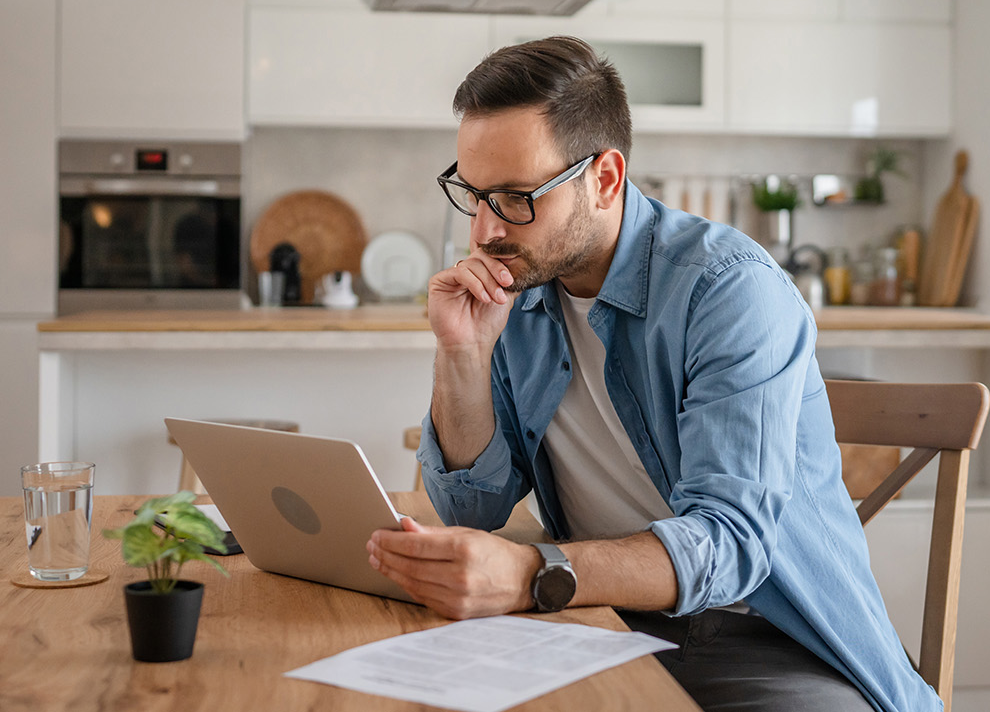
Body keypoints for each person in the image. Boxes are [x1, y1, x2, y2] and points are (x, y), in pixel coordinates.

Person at [365, 36, 937, 712]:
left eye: (517, 197)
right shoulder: (515, 287)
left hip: (769, 641)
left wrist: (535, 572)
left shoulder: (726, 291)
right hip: (600, 620)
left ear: (604, 178)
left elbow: (729, 546)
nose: (487, 230)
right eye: (474, 194)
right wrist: (462, 354)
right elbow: (471, 510)